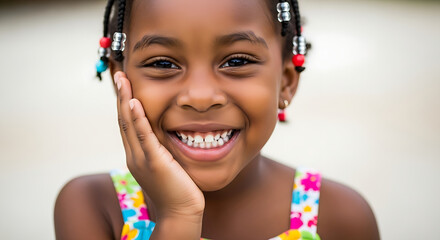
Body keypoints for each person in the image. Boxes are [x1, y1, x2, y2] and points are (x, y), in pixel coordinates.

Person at [54, 0, 380, 239]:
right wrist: (178, 217)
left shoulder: (340, 218)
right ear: (120, 81)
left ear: (286, 81)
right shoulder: (94, 207)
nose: (200, 97)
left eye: (236, 61)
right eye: (164, 64)